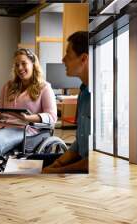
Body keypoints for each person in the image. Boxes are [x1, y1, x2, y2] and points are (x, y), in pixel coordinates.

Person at [42, 31, 90, 174]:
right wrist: (58, 163)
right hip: (79, 160)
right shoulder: (83, 92)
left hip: (90, 168)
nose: (63, 60)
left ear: (83, 59)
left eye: (68, 55)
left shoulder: (102, 98)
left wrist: (57, 170)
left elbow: (92, 162)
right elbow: (80, 143)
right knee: (32, 161)